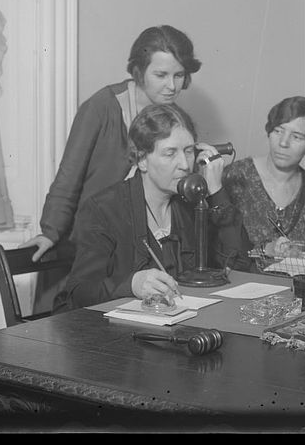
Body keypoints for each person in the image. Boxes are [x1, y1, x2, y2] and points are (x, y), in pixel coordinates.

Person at [19, 25, 202, 310]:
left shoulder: (173, 117)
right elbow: (69, 175)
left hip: (134, 249)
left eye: (179, 76)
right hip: (93, 241)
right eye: (161, 75)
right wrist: (50, 231)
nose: (172, 86)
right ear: (139, 71)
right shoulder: (101, 107)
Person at [53, 103, 251, 309]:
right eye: (170, 153)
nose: (184, 164)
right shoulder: (104, 209)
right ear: (141, 160)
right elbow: (78, 293)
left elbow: (239, 265)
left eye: (189, 151)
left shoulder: (192, 203)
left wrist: (216, 191)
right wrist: (130, 285)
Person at [221, 96, 305, 257]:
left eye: (296, 136)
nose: (283, 143)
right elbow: (218, 247)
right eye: (278, 131)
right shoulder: (236, 176)